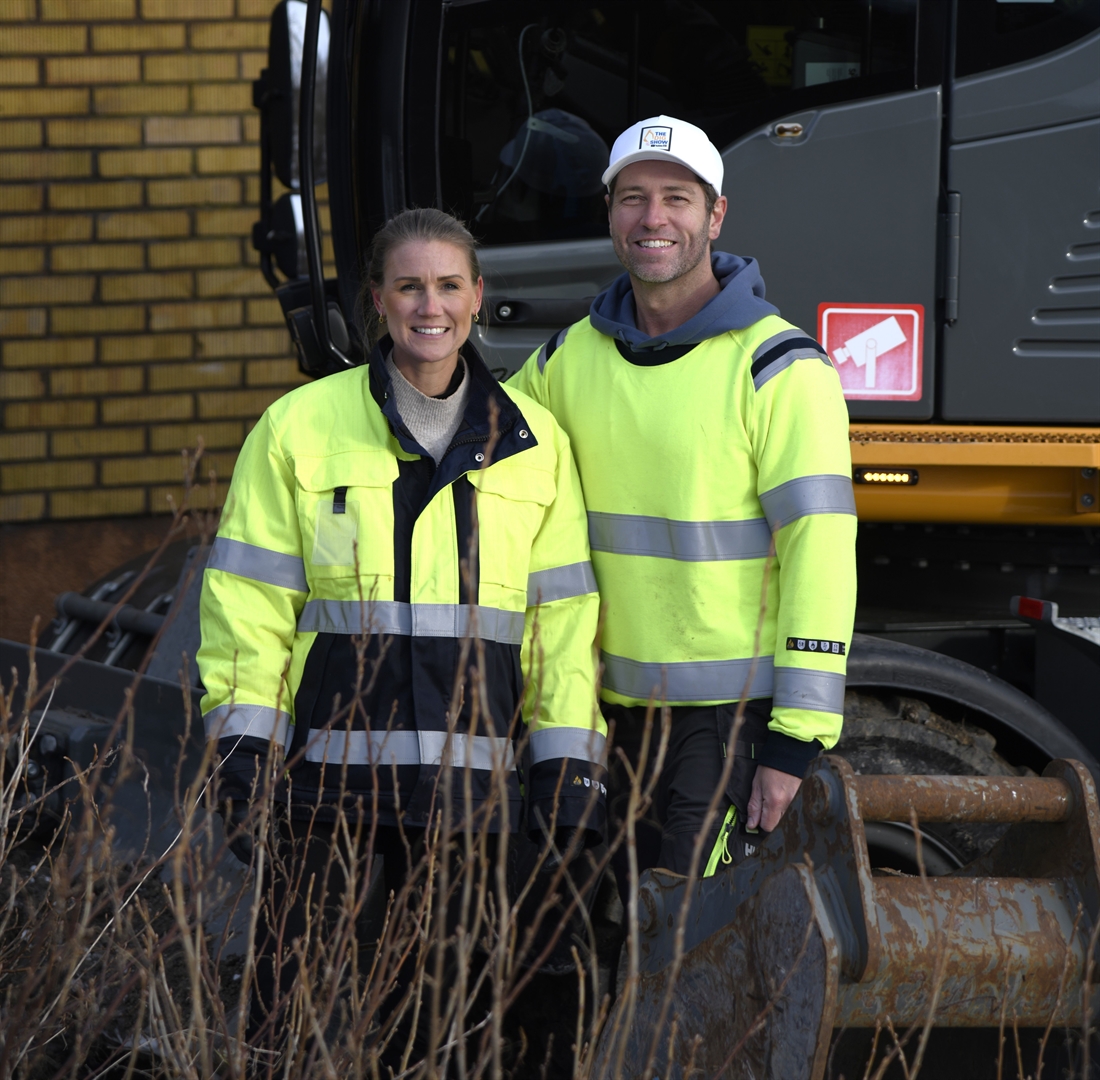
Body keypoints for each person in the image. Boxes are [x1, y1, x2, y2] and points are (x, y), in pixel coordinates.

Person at [196, 208, 606, 1054]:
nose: (431, 305)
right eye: (410, 285)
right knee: (289, 1028)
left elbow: (561, 624)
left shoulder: (534, 445)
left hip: (472, 798)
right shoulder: (299, 428)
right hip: (321, 796)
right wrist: (242, 759)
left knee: (440, 1038)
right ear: (376, 301)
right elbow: (249, 606)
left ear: (478, 297)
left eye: (449, 285)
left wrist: (566, 775)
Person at [510, 114, 856, 878]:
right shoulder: (567, 359)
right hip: (602, 710)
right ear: (609, 215)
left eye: (677, 197)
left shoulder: (780, 368)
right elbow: (485, 461)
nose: (653, 217)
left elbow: (821, 556)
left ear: (715, 215)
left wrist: (794, 742)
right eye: (632, 198)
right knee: (614, 936)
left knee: (687, 940)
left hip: (728, 720)